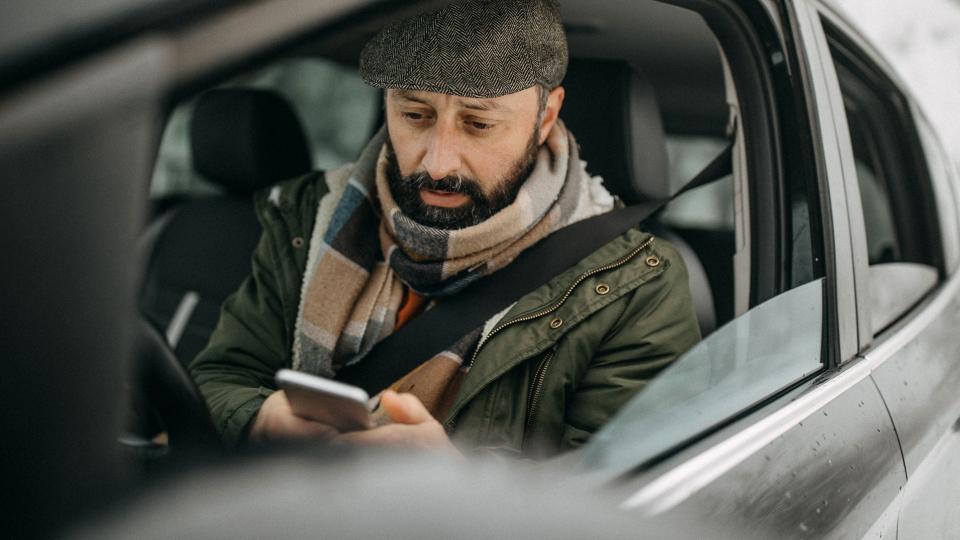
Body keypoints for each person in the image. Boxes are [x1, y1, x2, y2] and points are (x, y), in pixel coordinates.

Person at [189, 0, 700, 459]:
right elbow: (220, 378)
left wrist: (459, 485)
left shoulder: (634, 283)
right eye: (414, 114)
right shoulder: (308, 216)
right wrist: (260, 420)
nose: (437, 163)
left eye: (478, 124)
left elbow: (618, 495)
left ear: (545, 117)